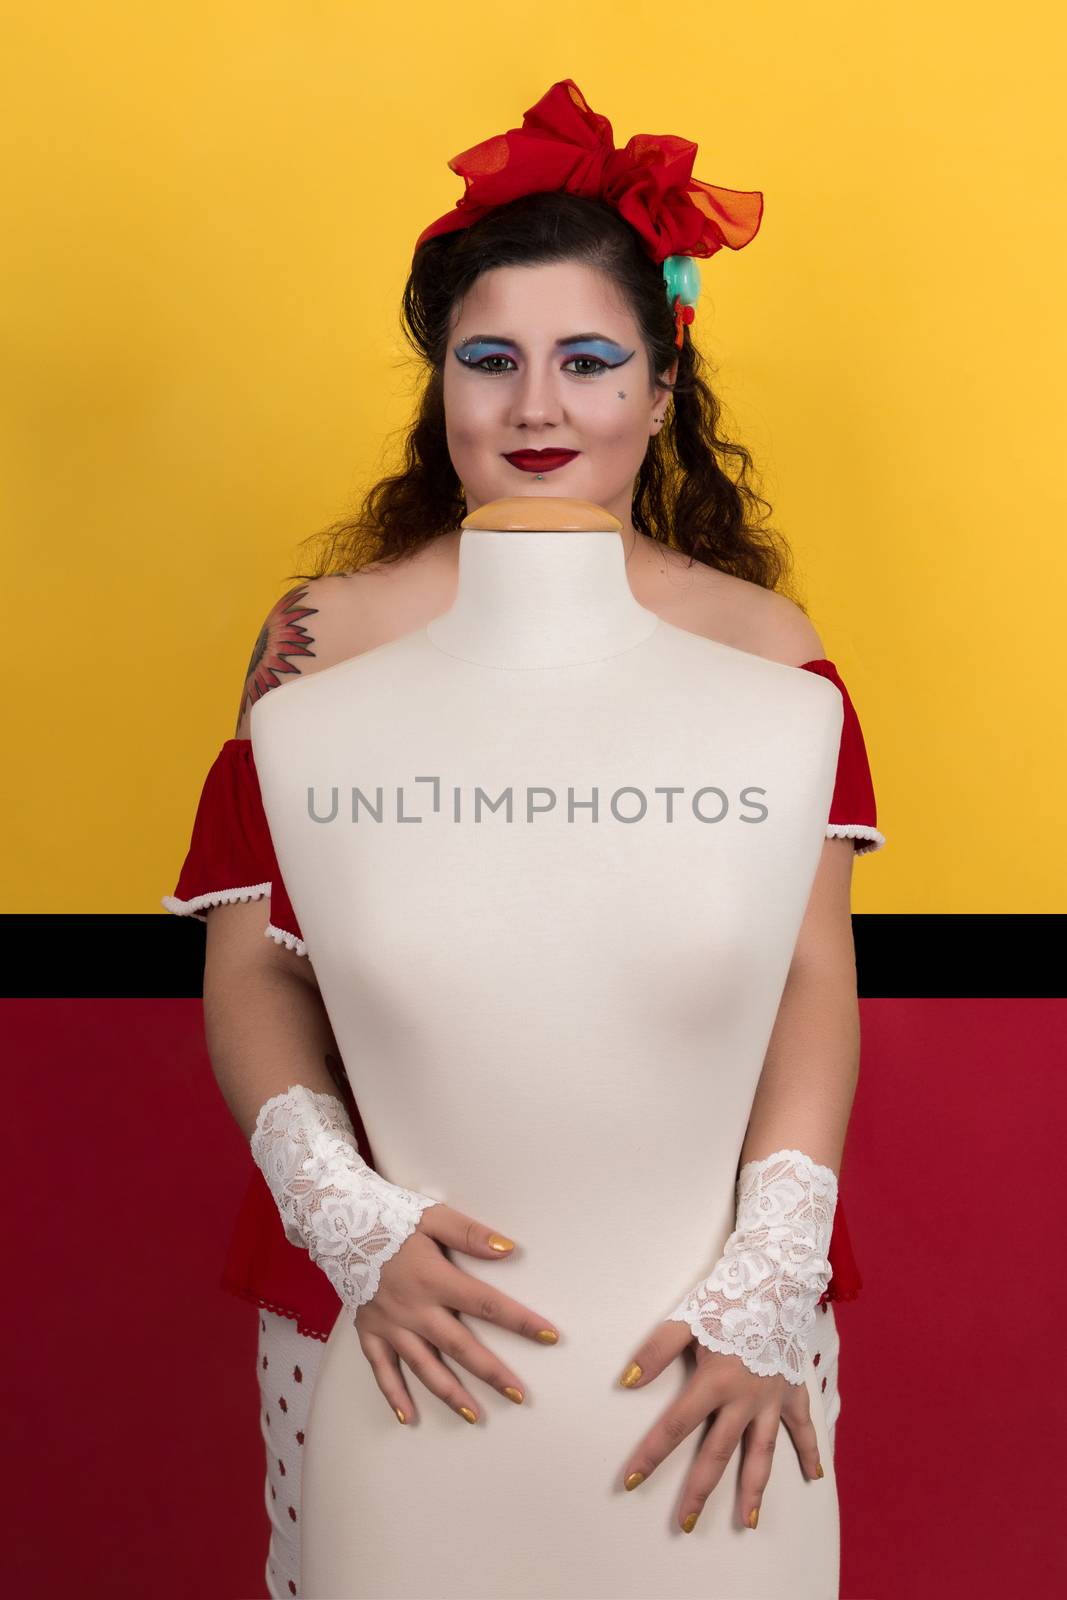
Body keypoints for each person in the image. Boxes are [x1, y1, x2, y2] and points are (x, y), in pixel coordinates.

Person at [164, 79, 883, 1600]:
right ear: (441, 387)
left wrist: (772, 1268)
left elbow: (809, 977)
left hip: (700, 1296)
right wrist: (342, 1214)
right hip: (396, 1294)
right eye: (491, 362)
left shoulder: (772, 656)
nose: (537, 408)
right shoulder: (318, 646)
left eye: (587, 361)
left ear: (661, 384)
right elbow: (256, 970)